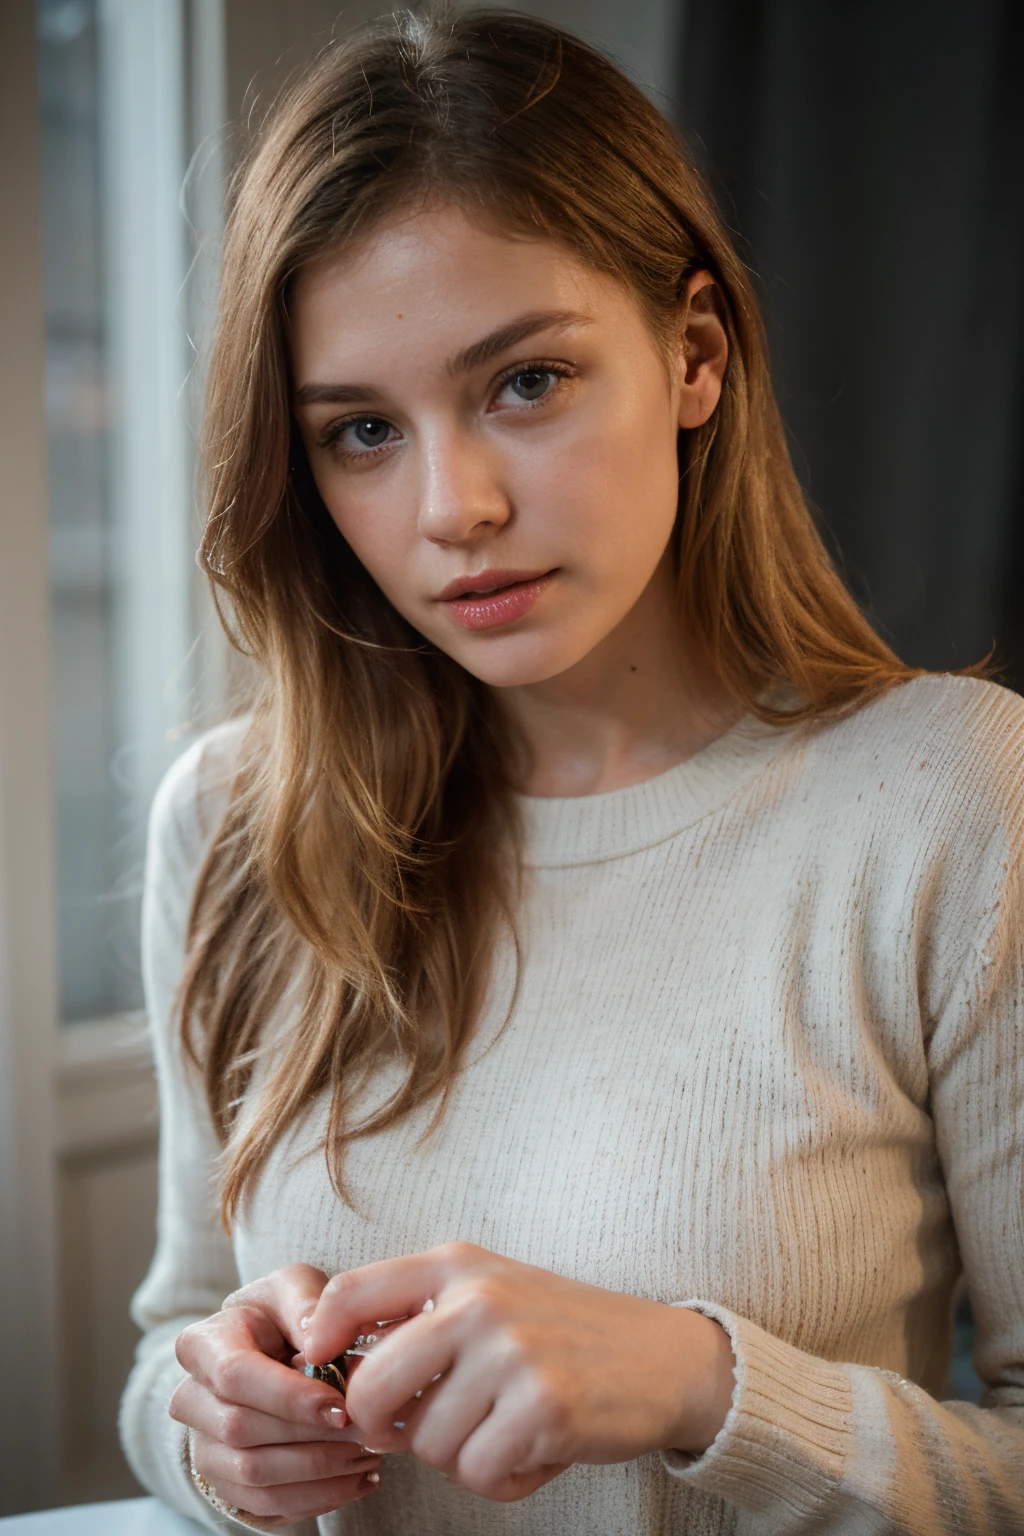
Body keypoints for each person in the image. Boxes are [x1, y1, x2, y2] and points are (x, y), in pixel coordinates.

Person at [118, 8, 1024, 1533]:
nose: (452, 506)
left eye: (524, 383)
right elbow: (170, 1343)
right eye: (357, 431)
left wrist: (703, 1387)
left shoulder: (953, 803)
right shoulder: (231, 822)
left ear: (694, 357)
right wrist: (217, 1437)